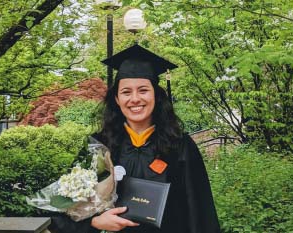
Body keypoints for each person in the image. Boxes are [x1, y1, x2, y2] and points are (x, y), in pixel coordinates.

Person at [48, 44, 220, 233]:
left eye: (143, 90)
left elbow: (201, 214)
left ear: (156, 95)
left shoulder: (180, 146)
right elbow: (59, 211)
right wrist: (95, 223)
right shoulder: (98, 147)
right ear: (116, 99)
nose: (135, 99)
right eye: (126, 92)